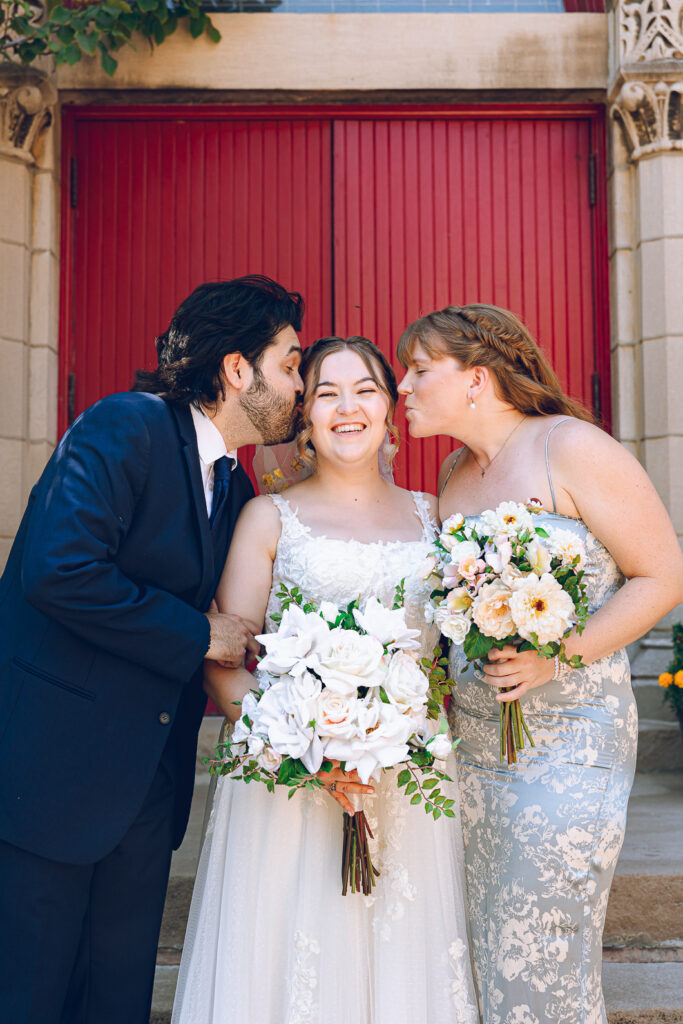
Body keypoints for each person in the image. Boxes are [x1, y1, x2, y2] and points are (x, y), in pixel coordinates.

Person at [0, 275, 304, 1024]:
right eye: (291, 364)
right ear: (238, 370)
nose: (300, 387)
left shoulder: (231, 488)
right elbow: (61, 571)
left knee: (118, 1002)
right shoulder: (124, 426)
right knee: (31, 997)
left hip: (144, 792)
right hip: (52, 776)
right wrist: (199, 632)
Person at [171, 336, 479, 1024]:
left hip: (407, 783)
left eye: (365, 389)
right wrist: (312, 752)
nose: (347, 408)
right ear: (303, 414)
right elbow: (224, 665)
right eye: (326, 393)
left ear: (389, 412)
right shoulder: (267, 517)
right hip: (287, 787)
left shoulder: (436, 517)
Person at [397, 303, 683, 1024]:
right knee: (484, 939)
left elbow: (661, 576)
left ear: (476, 379)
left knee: (545, 936)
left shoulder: (571, 448)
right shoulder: (453, 475)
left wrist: (560, 657)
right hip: (475, 747)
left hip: (571, 739)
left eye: (418, 370)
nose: (402, 387)